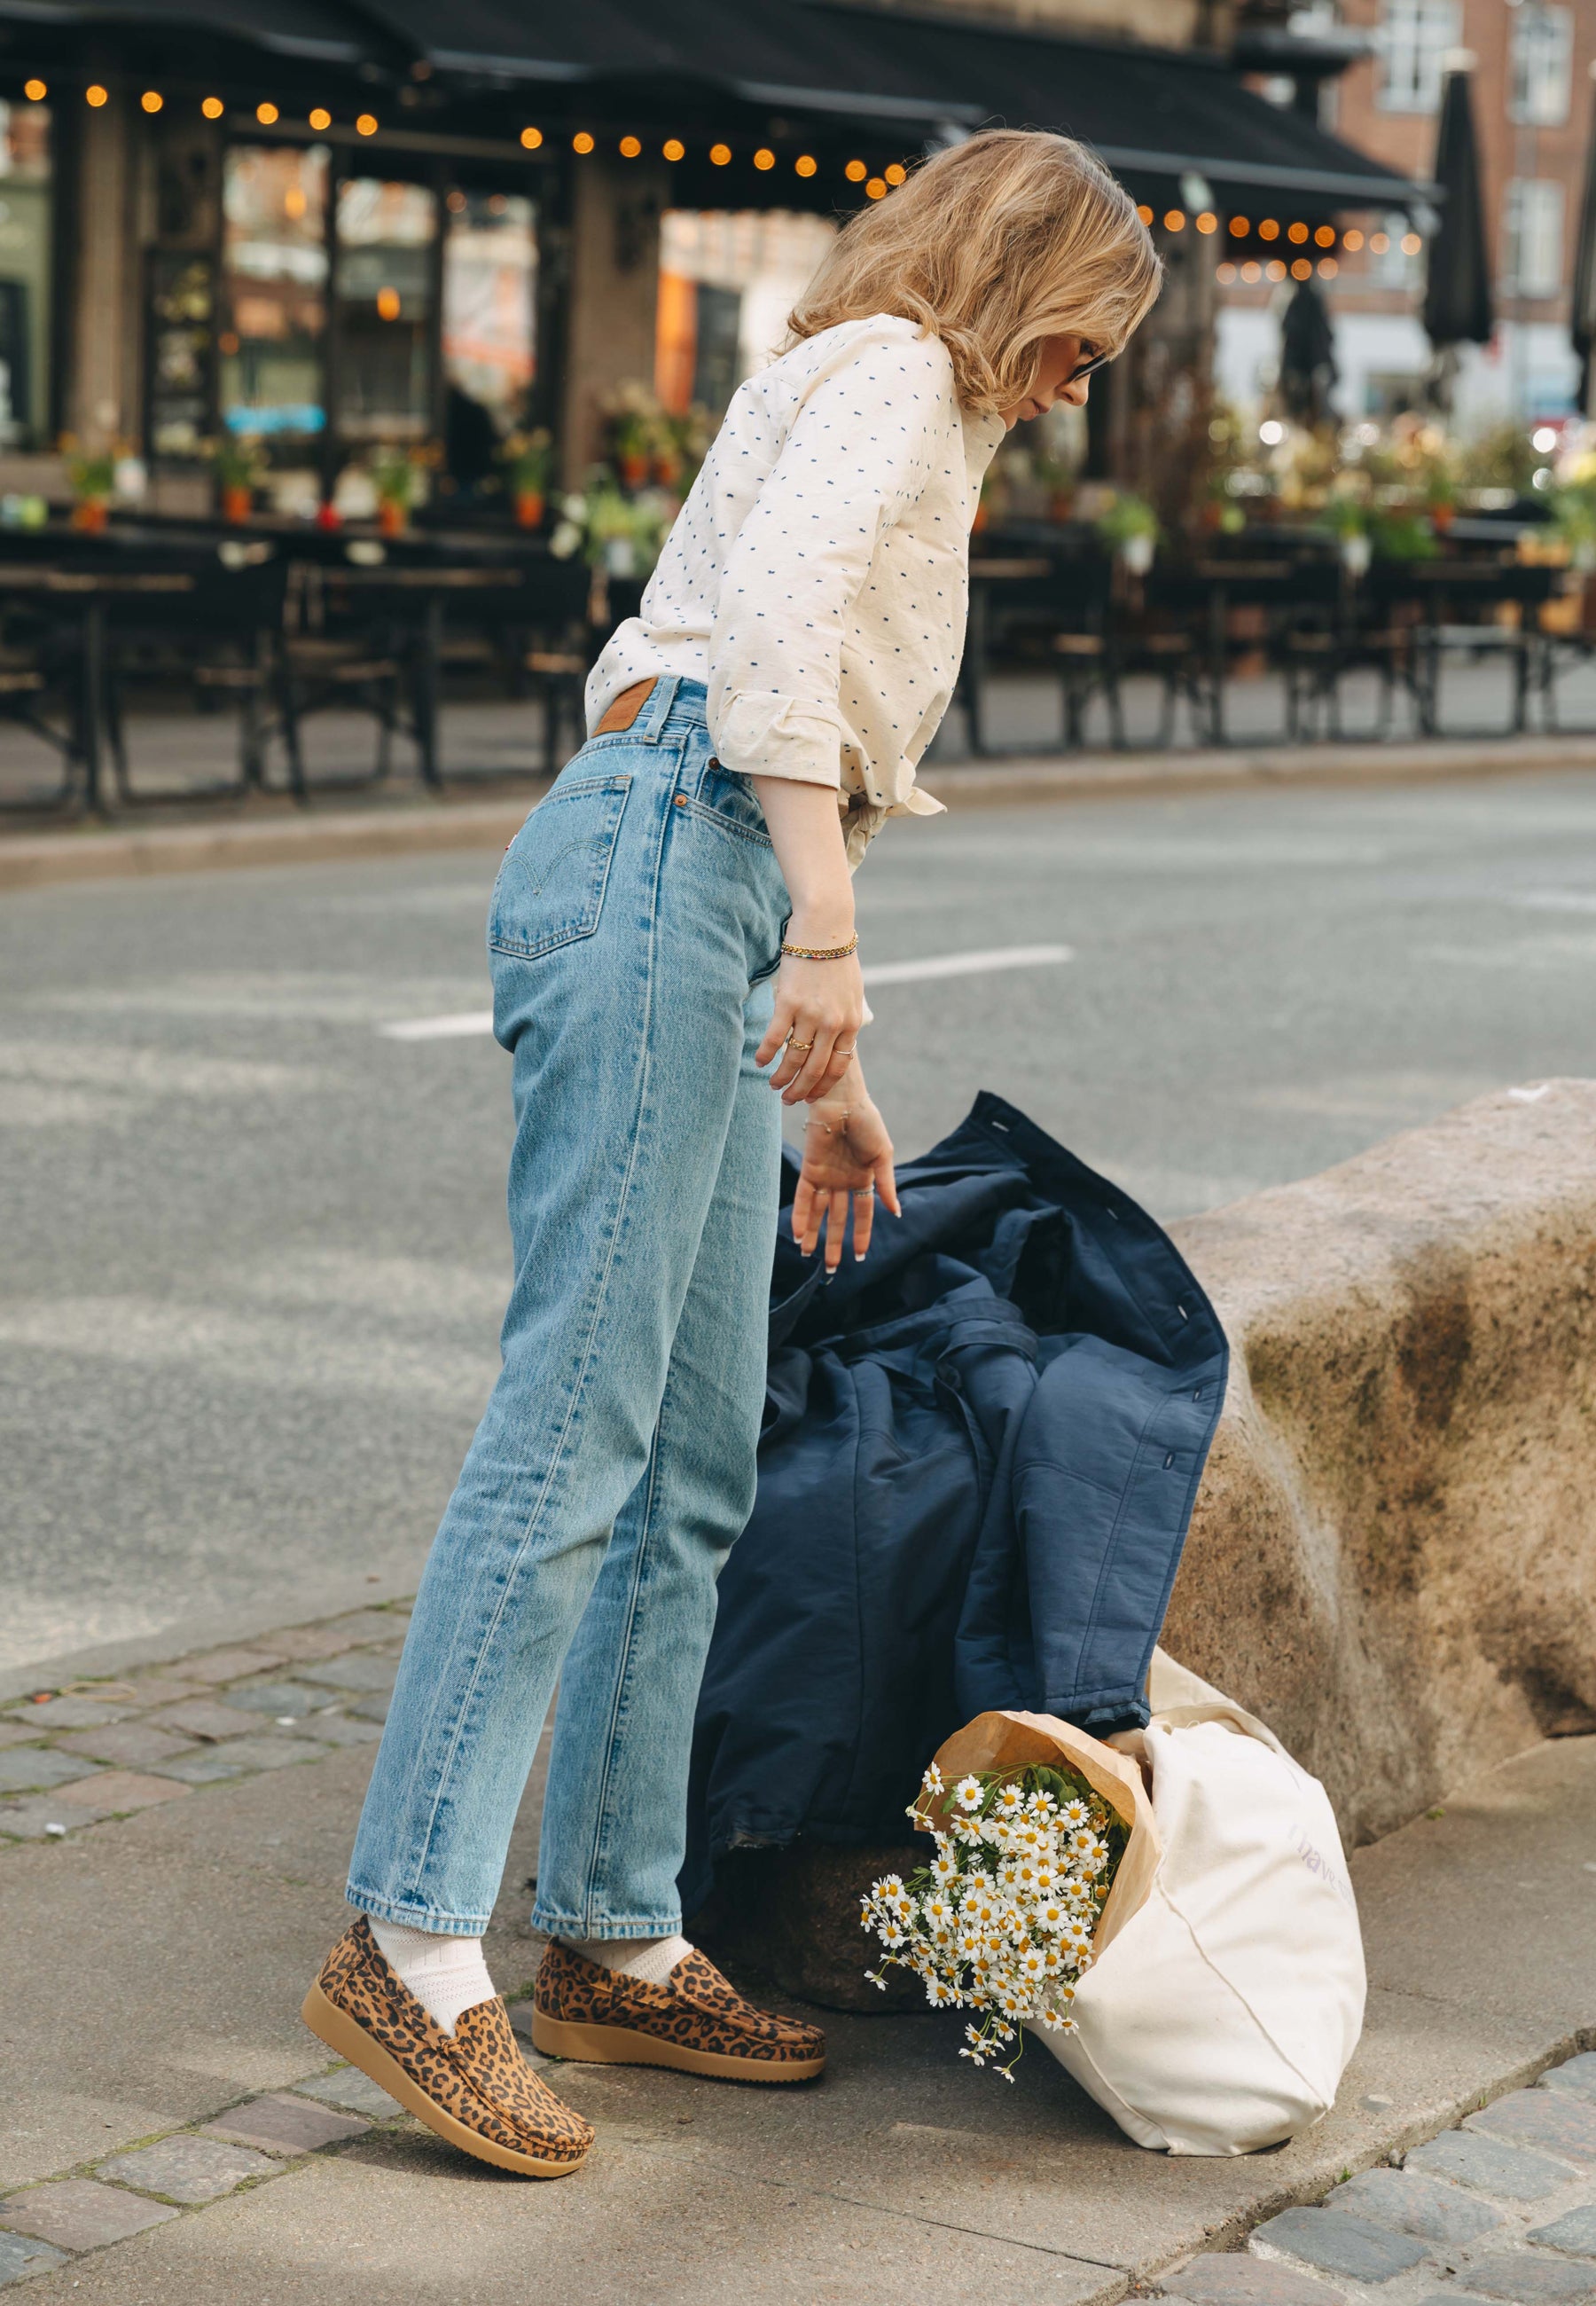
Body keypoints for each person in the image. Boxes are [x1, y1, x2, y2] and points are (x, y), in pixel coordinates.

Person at [301, 127, 1162, 2179]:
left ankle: (616, 1929)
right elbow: (761, 645)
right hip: (659, 853)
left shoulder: (899, 397)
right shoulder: (894, 371)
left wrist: (820, 1036)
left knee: (689, 1459)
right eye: (1082, 339)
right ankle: (409, 1941)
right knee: (574, 1431)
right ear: (1019, 278)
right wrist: (830, 942)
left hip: (701, 880)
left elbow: (792, 719)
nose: (1079, 386)